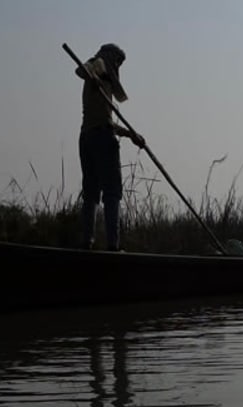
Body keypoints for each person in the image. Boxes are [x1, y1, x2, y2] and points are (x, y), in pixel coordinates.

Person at [75, 43, 145, 251]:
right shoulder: (98, 66)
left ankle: (88, 241)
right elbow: (80, 70)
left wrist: (131, 135)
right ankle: (111, 245)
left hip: (88, 137)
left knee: (91, 192)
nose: (119, 67)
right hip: (100, 139)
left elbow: (107, 121)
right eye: (118, 62)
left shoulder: (104, 83)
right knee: (110, 192)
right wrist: (93, 76)